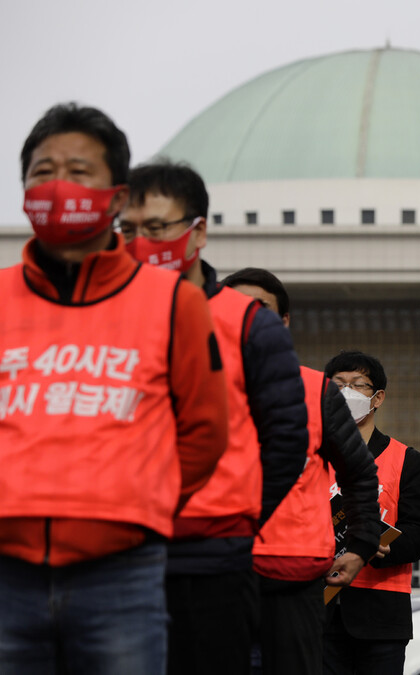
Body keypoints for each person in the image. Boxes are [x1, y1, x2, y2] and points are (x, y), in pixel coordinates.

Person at [0, 102, 229, 673]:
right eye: (42, 172)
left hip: (121, 574)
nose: (57, 186)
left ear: (117, 196)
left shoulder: (174, 303)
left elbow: (204, 433)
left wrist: (138, 504)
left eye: (79, 172)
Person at [119, 161, 309, 675]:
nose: (140, 243)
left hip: (211, 558)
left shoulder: (249, 325)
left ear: (196, 231)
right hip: (113, 557)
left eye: (155, 229)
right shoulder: (106, 317)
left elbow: (289, 440)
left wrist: (241, 518)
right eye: (127, 230)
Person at [222, 267, 382, 675]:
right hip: (211, 567)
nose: (246, 319)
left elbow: (359, 473)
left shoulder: (316, 390)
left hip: (291, 569)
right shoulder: (188, 381)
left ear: (284, 322)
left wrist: (361, 545)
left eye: (259, 310)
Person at [321, 350, 420, 675]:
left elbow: (419, 532)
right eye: (338, 385)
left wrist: (378, 546)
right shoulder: (311, 455)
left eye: (358, 386)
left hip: (381, 613)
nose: (347, 393)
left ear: (378, 397)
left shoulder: (407, 460)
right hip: (318, 609)